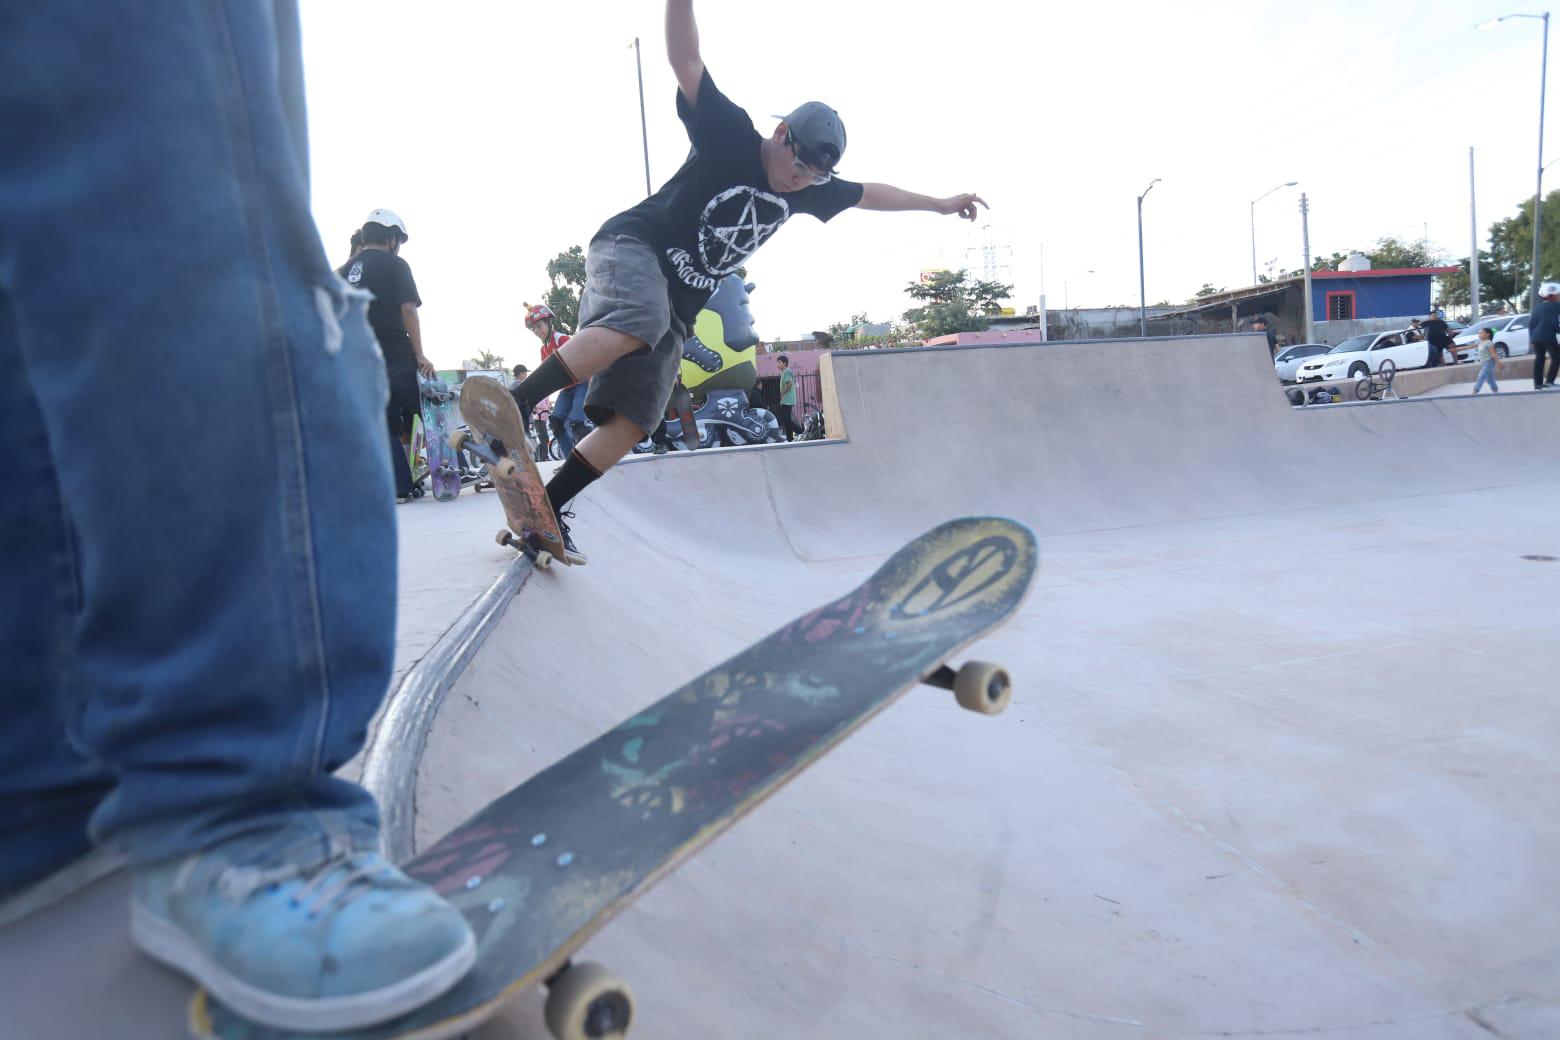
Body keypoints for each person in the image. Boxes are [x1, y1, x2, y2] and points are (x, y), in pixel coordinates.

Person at [1, 3, 473, 1032]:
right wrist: (420, 363)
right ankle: (240, 806)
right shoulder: (391, 264)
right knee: (160, 107)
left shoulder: (361, 249)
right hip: (380, 378)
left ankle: (44, 793)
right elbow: (397, 326)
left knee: (31, 209)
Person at [505, 0, 986, 556]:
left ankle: (548, 507)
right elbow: (686, 60)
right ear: (781, 134)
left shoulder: (809, 189)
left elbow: (870, 193)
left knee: (638, 418)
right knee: (643, 316)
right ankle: (517, 401)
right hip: (633, 248)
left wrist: (942, 204)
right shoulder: (728, 132)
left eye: (812, 177)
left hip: (677, 308)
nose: (798, 182)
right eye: (797, 166)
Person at [339, 209, 436, 502]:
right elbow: (409, 309)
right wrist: (420, 354)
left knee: (384, 424)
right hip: (396, 355)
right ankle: (451, 470)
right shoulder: (395, 265)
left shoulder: (342, 272)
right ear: (391, 237)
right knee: (431, 412)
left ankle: (399, 488)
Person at [525, 303, 589, 456]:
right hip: (566, 389)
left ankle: (597, 455)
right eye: (533, 328)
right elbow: (545, 376)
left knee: (576, 424)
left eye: (539, 326)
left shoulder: (561, 339)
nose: (537, 331)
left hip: (582, 384)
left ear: (548, 322)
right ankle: (570, 461)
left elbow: (584, 357)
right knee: (555, 423)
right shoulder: (544, 349)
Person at [1531, 281, 1560, 389]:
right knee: (1557, 357)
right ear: (1553, 295)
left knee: (1539, 359)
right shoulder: (1556, 305)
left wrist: (1532, 338)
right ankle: (1549, 382)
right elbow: (1554, 322)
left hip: (1536, 337)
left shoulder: (1538, 307)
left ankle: (1538, 384)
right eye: (1558, 294)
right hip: (1548, 336)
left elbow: (1532, 323)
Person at [775, 354, 803, 441]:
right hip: (786, 399)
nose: (778, 364)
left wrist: (782, 394)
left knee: (785, 418)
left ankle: (800, 431)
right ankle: (790, 438)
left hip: (787, 399)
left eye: (779, 362)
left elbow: (789, 384)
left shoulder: (787, 371)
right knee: (786, 418)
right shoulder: (784, 372)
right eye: (777, 362)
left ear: (785, 363)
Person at [1471, 326, 1501, 395]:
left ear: (1488, 334)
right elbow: (1468, 347)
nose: (1479, 334)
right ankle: (1495, 390)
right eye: (1479, 333)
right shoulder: (1480, 342)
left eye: (1481, 333)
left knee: (1482, 375)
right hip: (1484, 362)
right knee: (1489, 378)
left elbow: (1494, 354)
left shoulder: (1489, 342)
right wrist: (1456, 349)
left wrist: (1499, 363)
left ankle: (1475, 391)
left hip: (1489, 362)